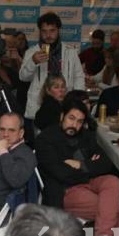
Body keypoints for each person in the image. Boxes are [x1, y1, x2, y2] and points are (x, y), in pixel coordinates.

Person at [35, 98, 119, 236]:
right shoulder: (46, 139)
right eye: (71, 118)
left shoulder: (86, 136)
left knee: (112, 181)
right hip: (66, 190)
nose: (74, 124)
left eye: (79, 121)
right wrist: (89, 167)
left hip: (89, 182)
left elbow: (106, 164)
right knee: (113, 211)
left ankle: (102, 235)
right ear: (62, 116)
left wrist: (81, 165)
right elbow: (60, 173)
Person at [20, 13, 84, 141]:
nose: (48, 35)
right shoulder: (32, 52)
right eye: (44, 31)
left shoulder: (70, 51)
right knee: (38, 144)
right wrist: (33, 62)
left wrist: (77, 101)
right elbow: (23, 77)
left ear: (58, 30)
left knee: (63, 144)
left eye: (52, 31)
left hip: (64, 105)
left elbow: (78, 77)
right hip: (39, 107)